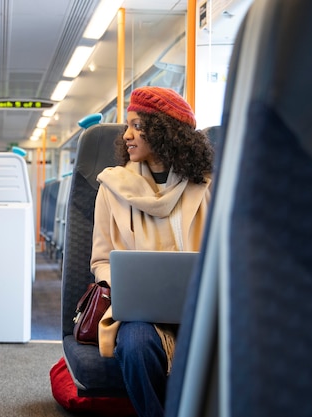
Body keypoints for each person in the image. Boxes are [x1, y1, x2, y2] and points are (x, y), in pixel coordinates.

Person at [90, 86, 214, 417]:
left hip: (200, 307)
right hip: (140, 313)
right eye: (127, 126)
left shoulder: (207, 186)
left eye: (138, 126)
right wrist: (126, 284)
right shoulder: (112, 189)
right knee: (135, 345)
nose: (127, 135)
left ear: (165, 133)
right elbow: (101, 260)